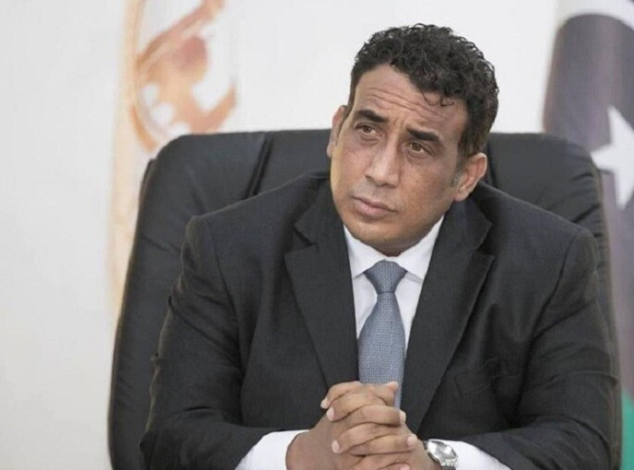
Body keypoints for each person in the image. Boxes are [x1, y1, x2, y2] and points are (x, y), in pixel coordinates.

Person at [141, 24, 617, 470]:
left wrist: (433, 461)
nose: (380, 171)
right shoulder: (230, 248)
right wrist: (298, 456)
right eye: (367, 130)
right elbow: (172, 436)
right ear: (337, 130)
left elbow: (585, 443)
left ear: (466, 177)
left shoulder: (548, 261)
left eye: (418, 147)